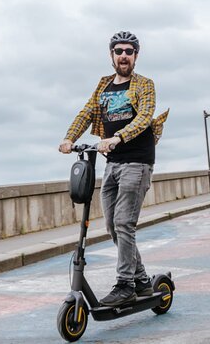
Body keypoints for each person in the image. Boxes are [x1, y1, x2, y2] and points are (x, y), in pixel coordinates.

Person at [58, 31, 168, 307]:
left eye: (129, 52)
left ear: (135, 56)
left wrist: (117, 137)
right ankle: (142, 281)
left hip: (138, 160)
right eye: (118, 51)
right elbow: (87, 112)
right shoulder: (104, 86)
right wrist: (69, 138)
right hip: (113, 163)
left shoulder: (145, 84)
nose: (123, 56)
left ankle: (125, 285)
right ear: (111, 55)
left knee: (124, 223)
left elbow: (144, 116)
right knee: (112, 225)